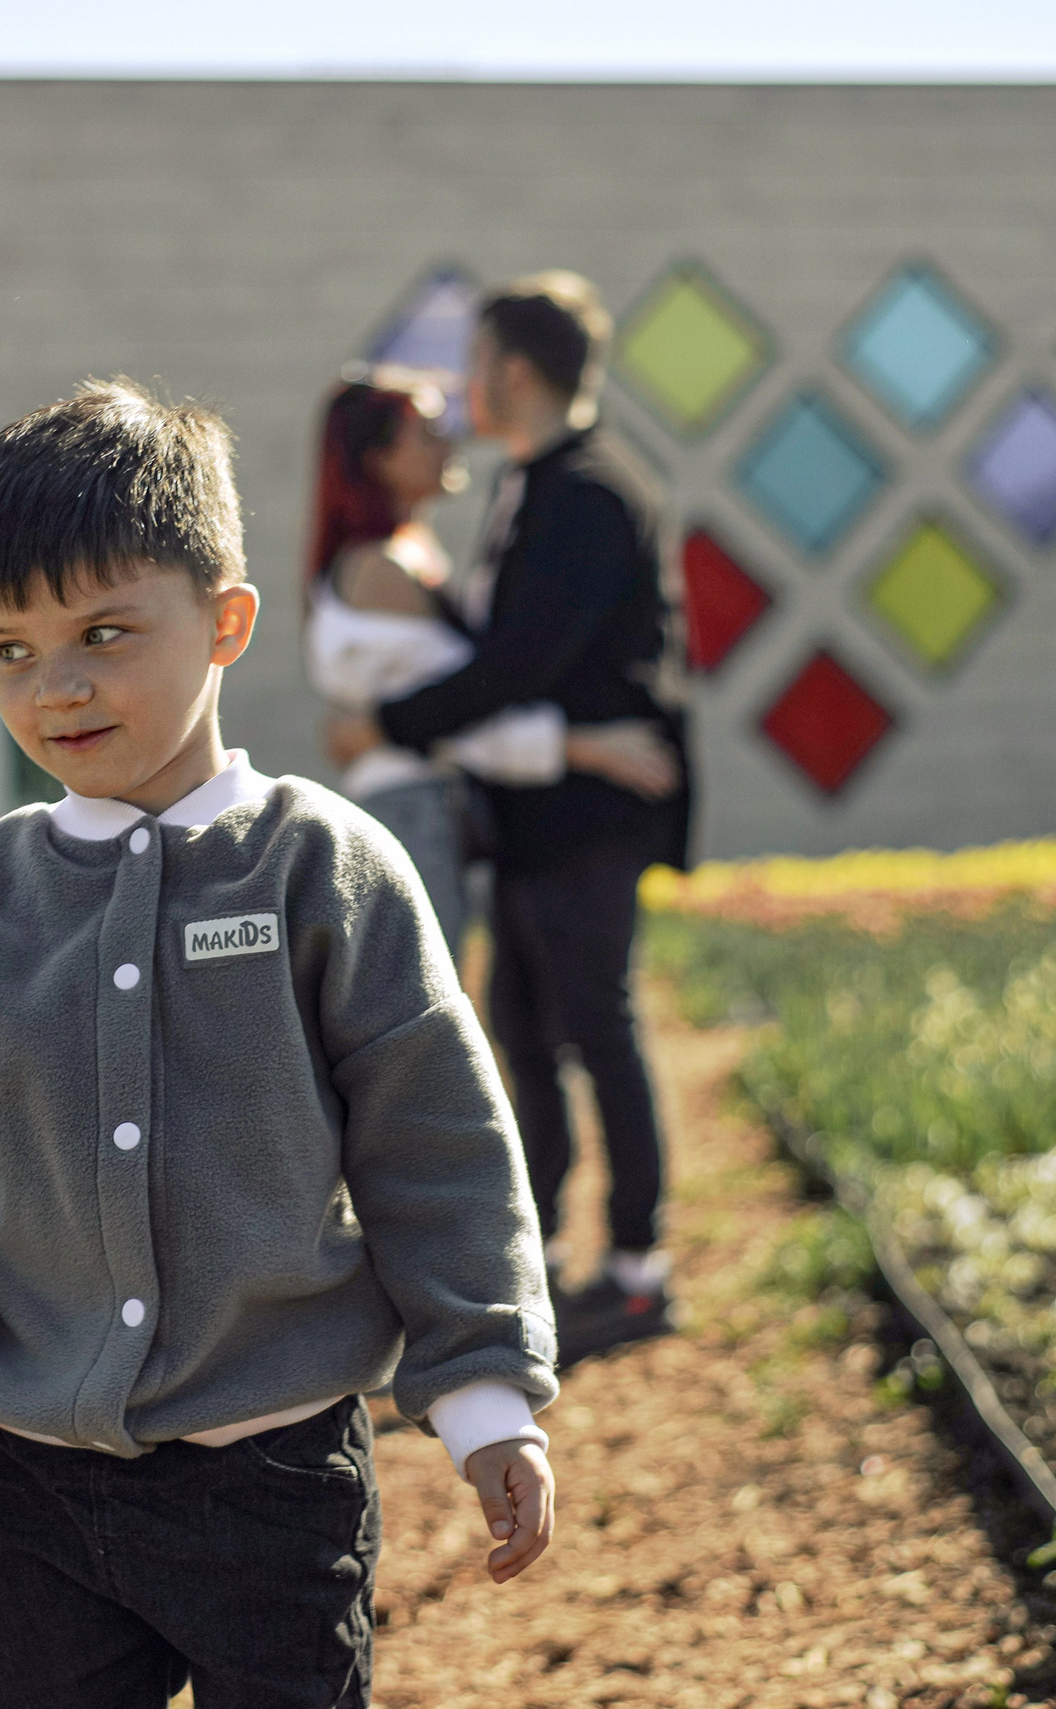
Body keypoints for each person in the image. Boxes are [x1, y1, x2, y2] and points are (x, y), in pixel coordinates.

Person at [0, 379, 560, 1709]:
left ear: (226, 619)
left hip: (270, 1481)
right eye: (7, 648)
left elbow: (436, 1146)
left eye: (103, 633)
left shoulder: (323, 869)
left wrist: (483, 1394)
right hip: (33, 1483)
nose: (56, 686)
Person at [332, 273, 689, 1363]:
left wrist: (382, 718)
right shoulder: (533, 486)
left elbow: (510, 667)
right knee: (530, 1041)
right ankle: (539, 1265)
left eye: (473, 360)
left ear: (515, 373)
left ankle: (636, 1272)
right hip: (541, 820)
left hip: (586, 820)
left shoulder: (584, 492)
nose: (460, 382)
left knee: (597, 1027)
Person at [304, 370, 682, 958]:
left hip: (436, 807)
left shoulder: (409, 554)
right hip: (414, 808)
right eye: (428, 433)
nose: (450, 443)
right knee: (427, 1009)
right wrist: (592, 748)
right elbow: (458, 715)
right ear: (378, 459)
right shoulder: (381, 570)